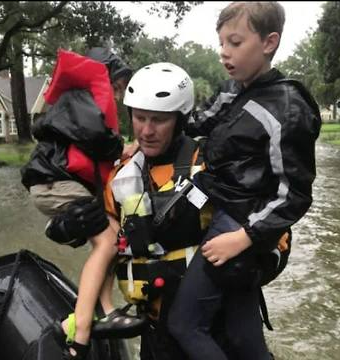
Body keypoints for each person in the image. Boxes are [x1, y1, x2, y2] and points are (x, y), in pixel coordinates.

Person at [166, 2, 321, 360]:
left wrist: (244, 237)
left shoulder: (288, 107)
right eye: (221, 43)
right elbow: (196, 124)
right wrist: (147, 134)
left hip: (241, 222)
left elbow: (294, 194)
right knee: (243, 338)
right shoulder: (232, 90)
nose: (224, 52)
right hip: (220, 206)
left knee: (186, 324)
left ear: (269, 43)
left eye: (235, 42)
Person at [20, 47, 143, 359]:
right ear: (105, 77)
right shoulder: (81, 100)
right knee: (106, 242)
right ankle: (81, 333)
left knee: (115, 234)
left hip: (59, 182)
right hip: (55, 184)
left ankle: (106, 309)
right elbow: (98, 139)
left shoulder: (78, 102)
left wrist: (125, 148)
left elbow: (95, 145)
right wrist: (121, 146)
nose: (116, 97)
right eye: (117, 87)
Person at [103, 62, 225, 360]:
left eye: (158, 120)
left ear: (180, 120)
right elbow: (105, 246)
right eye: (139, 118)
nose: (146, 131)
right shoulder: (120, 177)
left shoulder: (211, 162)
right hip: (154, 328)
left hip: (211, 325)